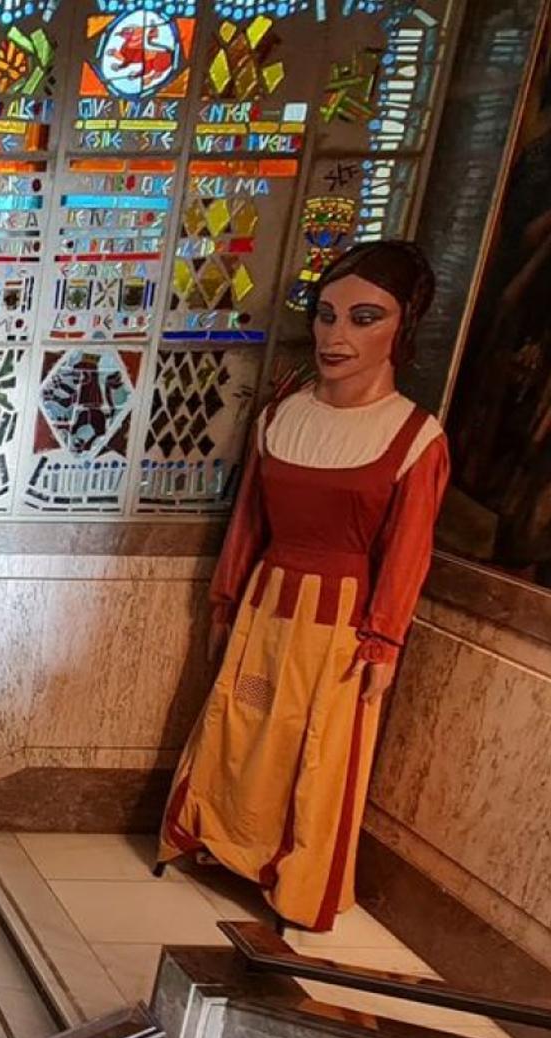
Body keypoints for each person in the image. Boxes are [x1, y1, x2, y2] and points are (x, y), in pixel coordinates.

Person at [158, 241, 450, 932]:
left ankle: (295, 879)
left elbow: (408, 550)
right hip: (266, 602)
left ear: (400, 330)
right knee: (238, 723)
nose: (337, 335)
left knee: (316, 749)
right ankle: (219, 841)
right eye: (326, 315)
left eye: (363, 318)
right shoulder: (282, 412)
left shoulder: (414, 437)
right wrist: (226, 598)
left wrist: (384, 640)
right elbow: (249, 520)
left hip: (341, 621)